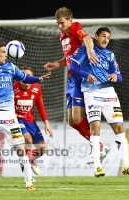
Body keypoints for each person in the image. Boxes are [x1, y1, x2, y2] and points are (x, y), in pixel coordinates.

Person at [69, 26, 129, 177]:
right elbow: (72, 66)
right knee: (96, 128)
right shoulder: (85, 49)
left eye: (108, 37)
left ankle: (126, 164)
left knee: (119, 128)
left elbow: (119, 76)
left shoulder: (110, 54)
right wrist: (86, 74)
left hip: (109, 94)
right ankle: (97, 166)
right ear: (96, 36)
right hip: (91, 93)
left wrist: (115, 76)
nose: (106, 39)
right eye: (103, 36)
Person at [43, 7, 109, 164]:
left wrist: (91, 52)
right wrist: (56, 64)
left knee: (77, 117)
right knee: (72, 121)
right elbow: (68, 58)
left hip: (81, 78)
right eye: (58, 23)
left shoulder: (75, 27)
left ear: (70, 20)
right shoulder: (62, 36)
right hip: (72, 80)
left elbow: (87, 39)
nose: (60, 26)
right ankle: (99, 146)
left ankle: (98, 146)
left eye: (62, 23)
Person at [0, 40, 51, 191]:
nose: (5, 55)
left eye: (6, 52)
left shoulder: (10, 67)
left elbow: (25, 78)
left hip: (10, 118)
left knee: (20, 149)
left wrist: (39, 78)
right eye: (3, 52)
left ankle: (29, 184)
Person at [13, 66, 53, 180]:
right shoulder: (13, 87)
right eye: (24, 76)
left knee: (43, 149)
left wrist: (47, 124)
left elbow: (40, 106)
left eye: (29, 76)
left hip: (30, 121)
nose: (26, 78)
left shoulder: (37, 88)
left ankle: (26, 161)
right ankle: (28, 163)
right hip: (17, 120)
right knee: (28, 139)